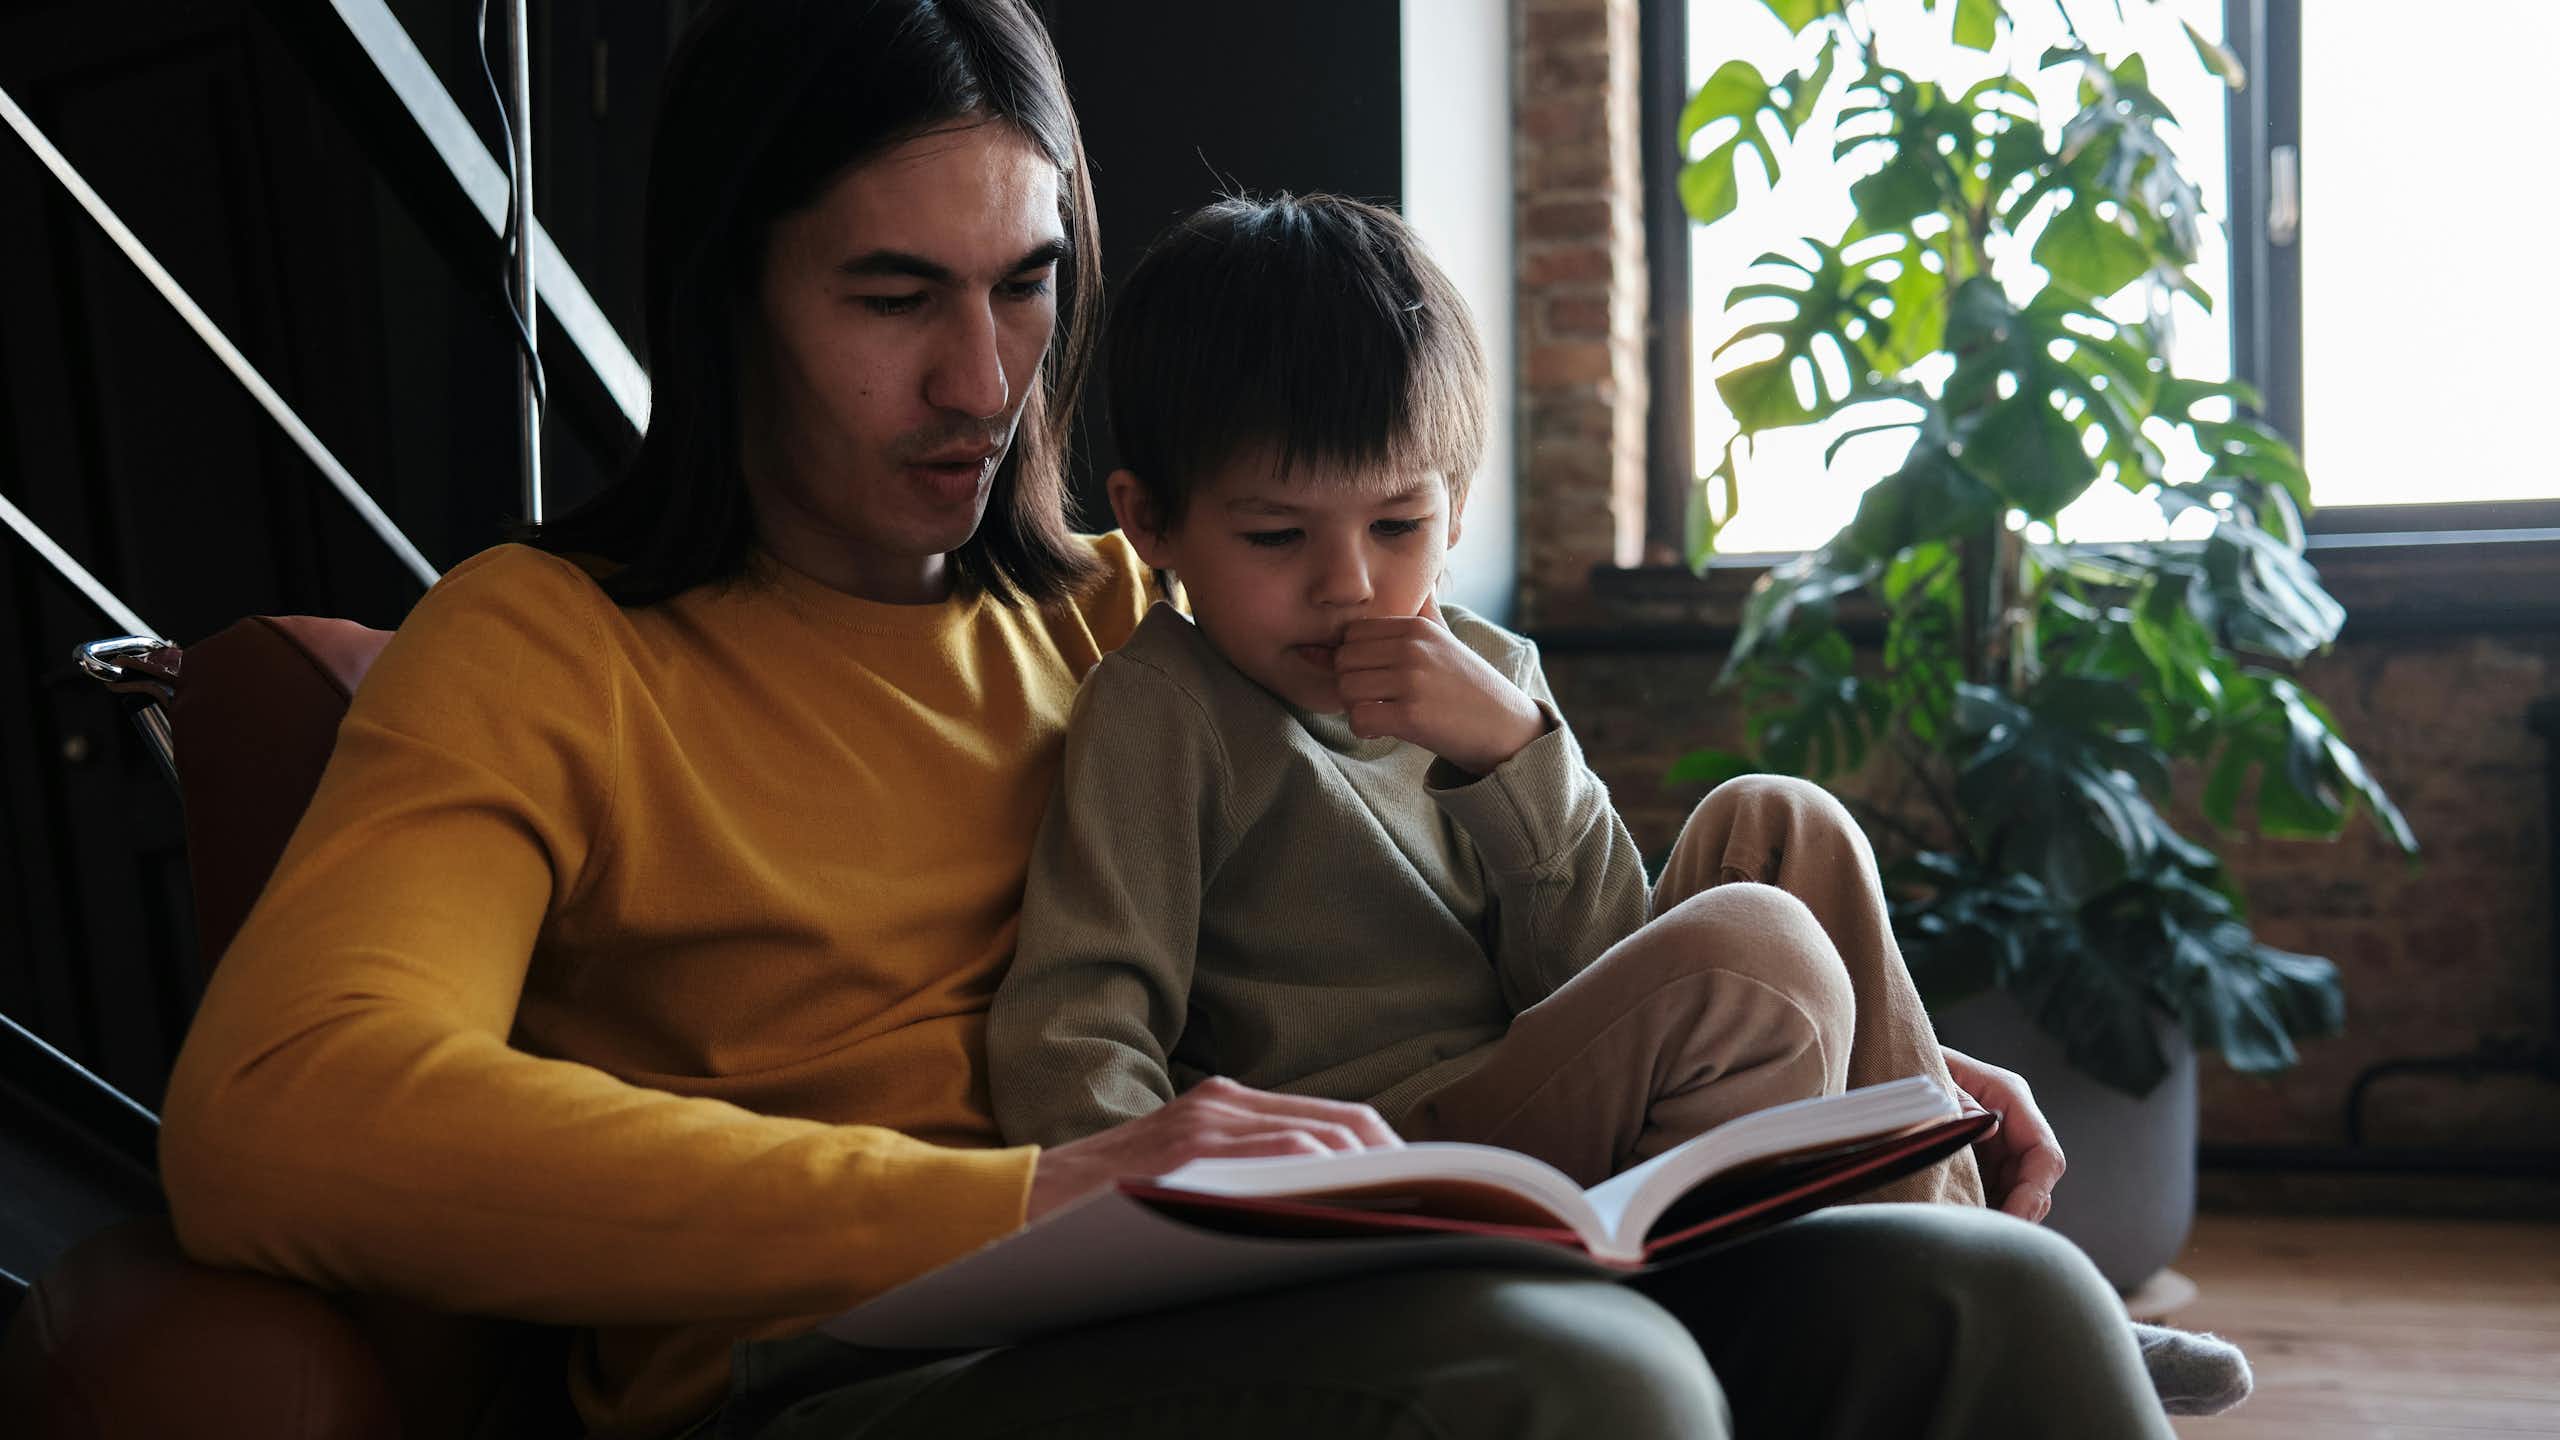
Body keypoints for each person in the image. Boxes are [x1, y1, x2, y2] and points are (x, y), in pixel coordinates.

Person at [155, 2, 2178, 1437]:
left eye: (1025, 285)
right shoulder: (546, 649)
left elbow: (1479, 911)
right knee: (1577, 1386)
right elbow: (283, 1116)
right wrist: (1025, 1195)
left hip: (1255, 1278)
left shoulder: (1132, 608)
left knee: (1985, 1295)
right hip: (840, 1370)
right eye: (888, 299)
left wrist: (1846, 1116)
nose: (981, 378)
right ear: (723, 296)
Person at [988, 191, 2250, 1416]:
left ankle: (1982, 1286)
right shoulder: (1162, 711)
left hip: (1548, 1109)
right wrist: (1152, 1242)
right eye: (1275, 538)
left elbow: (1589, 963)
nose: (1350, 586)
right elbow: (1076, 1027)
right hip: (1379, 1161)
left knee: (1783, 822)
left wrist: (1512, 754)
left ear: (1458, 502)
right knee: (1751, 954)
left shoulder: (1494, 683)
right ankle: (1960, 1323)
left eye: (1399, 523)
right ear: (1151, 523)